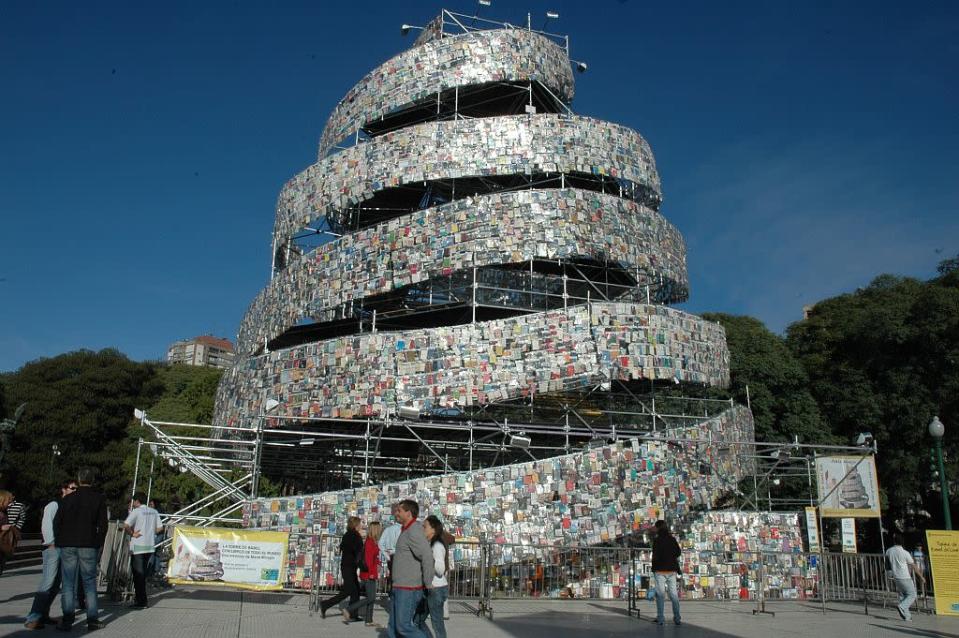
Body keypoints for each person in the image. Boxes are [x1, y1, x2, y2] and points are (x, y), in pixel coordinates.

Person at [53, 466, 108, 632]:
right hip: (88, 543)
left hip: (68, 543)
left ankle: (68, 619)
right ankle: (92, 619)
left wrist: (60, 540)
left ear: (78, 480)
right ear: (92, 480)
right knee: (89, 583)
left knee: (68, 582)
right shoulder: (98, 499)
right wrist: (98, 543)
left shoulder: (67, 499)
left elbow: (57, 522)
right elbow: (103, 525)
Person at [24, 481, 77, 629]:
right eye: (72, 488)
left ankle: (43, 615)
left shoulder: (69, 505)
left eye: (76, 489)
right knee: (48, 582)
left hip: (63, 547)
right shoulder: (54, 504)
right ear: (64, 489)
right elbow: (46, 523)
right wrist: (51, 542)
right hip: (53, 547)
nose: (74, 491)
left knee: (55, 584)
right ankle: (33, 617)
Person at [386, 499, 433, 638]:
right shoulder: (406, 530)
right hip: (399, 586)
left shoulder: (414, 531)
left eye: (399, 511)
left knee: (403, 627)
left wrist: (428, 581)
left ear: (408, 513)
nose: (396, 513)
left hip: (408, 589)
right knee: (393, 628)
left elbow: (427, 555)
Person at [319, 516, 364, 620]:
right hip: (350, 566)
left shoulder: (347, 534)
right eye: (360, 524)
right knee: (349, 590)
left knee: (355, 590)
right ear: (356, 525)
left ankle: (353, 614)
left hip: (346, 566)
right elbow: (358, 552)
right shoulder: (355, 536)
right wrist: (362, 565)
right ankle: (325, 604)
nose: (361, 526)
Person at [124, 492, 162, 609]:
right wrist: (150, 533)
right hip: (149, 546)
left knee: (138, 575)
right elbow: (160, 527)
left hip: (138, 547)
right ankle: (141, 599)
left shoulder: (136, 511)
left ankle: (141, 601)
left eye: (133, 501)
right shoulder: (154, 511)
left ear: (137, 501)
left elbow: (126, 525)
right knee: (143, 574)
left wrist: (132, 533)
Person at [414, 515, 449, 638]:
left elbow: (440, 570)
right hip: (430, 587)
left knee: (436, 623)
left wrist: (429, 559)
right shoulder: (430, 545)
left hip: (436, 588)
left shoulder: (437, 546)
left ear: (433, 529)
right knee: (418, 621)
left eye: (425, 526)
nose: (423, 528)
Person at [345, 521, 382, 627]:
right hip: (368, 574)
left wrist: (378, 564)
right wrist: (371, 573)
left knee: (372, 597)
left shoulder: (373, 541)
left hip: (371, 573)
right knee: (370, 598)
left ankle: (369, 620)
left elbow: (374, 558)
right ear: (376, 530)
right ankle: (349, 609)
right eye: (379, 529)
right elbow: (368, 560)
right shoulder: (370, 542)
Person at [885, 534, 924, 621]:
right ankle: (902, 607)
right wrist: (921, 577)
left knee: (903, 596)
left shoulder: (888, 551)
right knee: (912, 595)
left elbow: (887, 565)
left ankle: (907, 616)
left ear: (894, 541)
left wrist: (889, 575)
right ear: (902, 542)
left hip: (896, 577)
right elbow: (913, 565)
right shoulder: (905, 553)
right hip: (905, 576)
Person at [651, 519, 682, 626]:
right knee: (674, 595)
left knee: (660, 595)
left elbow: (655, 555)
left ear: (658, 528)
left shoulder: (657, 540)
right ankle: (677, 618)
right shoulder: (672, 539)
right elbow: (678, 552)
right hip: (672, 570)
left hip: (660, 570)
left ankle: (660, 619)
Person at [0, 490, 26, 575]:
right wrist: (1, 527)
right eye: (8, 500)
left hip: (3, 541)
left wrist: (15, 529)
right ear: (2, 500)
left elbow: (22, 518)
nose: (10, 502)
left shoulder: (4, 511)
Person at [379, 503, 403, 584]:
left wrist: (387, 555)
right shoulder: (403, 530)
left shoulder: (388, 529)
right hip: (399, 557)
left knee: (393, 579)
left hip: (391, 557)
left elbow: (380, 544)